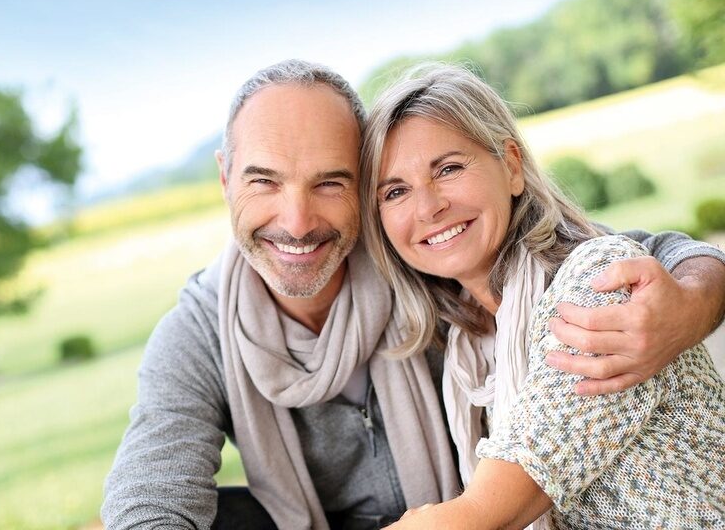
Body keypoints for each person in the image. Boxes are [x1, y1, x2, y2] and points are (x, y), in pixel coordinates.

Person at [101, 59, 725, 530]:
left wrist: (693, 301)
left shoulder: (440, 271)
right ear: (224, 177)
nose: (296, 221)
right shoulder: (205, 331)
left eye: (330, 182)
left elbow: (638, 256)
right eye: (264, 180)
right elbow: (150, 490)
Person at [358, 62, 725, 529]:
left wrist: (702, 288)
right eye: (395, 192)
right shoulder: (471, 351)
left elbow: (485, 513)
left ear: (512, 166)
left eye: (448, 169)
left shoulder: (596, 286)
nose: (428, 207)